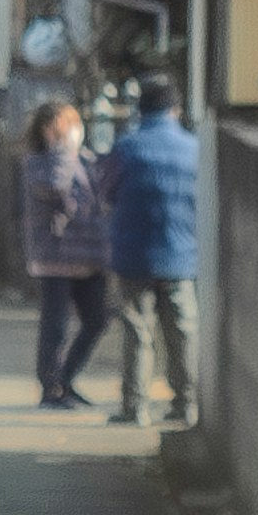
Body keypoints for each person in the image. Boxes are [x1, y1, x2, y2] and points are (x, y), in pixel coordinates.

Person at [103, 71, 201, 427]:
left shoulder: (127, 147)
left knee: (137, 332)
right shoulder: (193, 147)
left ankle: (136, 407)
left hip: (133, 256)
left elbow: (107, 192)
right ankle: (187, 405)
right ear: (175, 108)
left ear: (140, 109)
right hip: (181, 256)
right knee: (183, 332)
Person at [22, 97, 110, 410]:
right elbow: (59, 191)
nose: (76, 131)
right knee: (55, 326)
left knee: (97, 319)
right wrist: (63, 149)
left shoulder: (83, 159)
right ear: (49, 131)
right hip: (56, 258)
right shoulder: (39, 163)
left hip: (88, 257)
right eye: (68, 125)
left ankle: (66, 379)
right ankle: (50, 388)